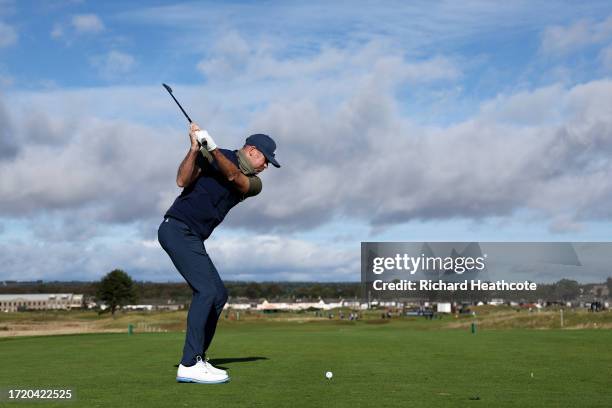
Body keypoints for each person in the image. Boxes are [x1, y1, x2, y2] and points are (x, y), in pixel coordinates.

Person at [158, 123, 280, 383]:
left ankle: (198, 357)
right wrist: (194, 150)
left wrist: (211, 148)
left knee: (218, 294)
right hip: (176, 229)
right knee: (207, 291)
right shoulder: (214, 154)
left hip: (193, 236)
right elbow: (182, 180)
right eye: (266, 159)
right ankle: (189, 363)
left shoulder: (254, 183)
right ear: (251, 150)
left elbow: (234, 177)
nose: (266, 166)